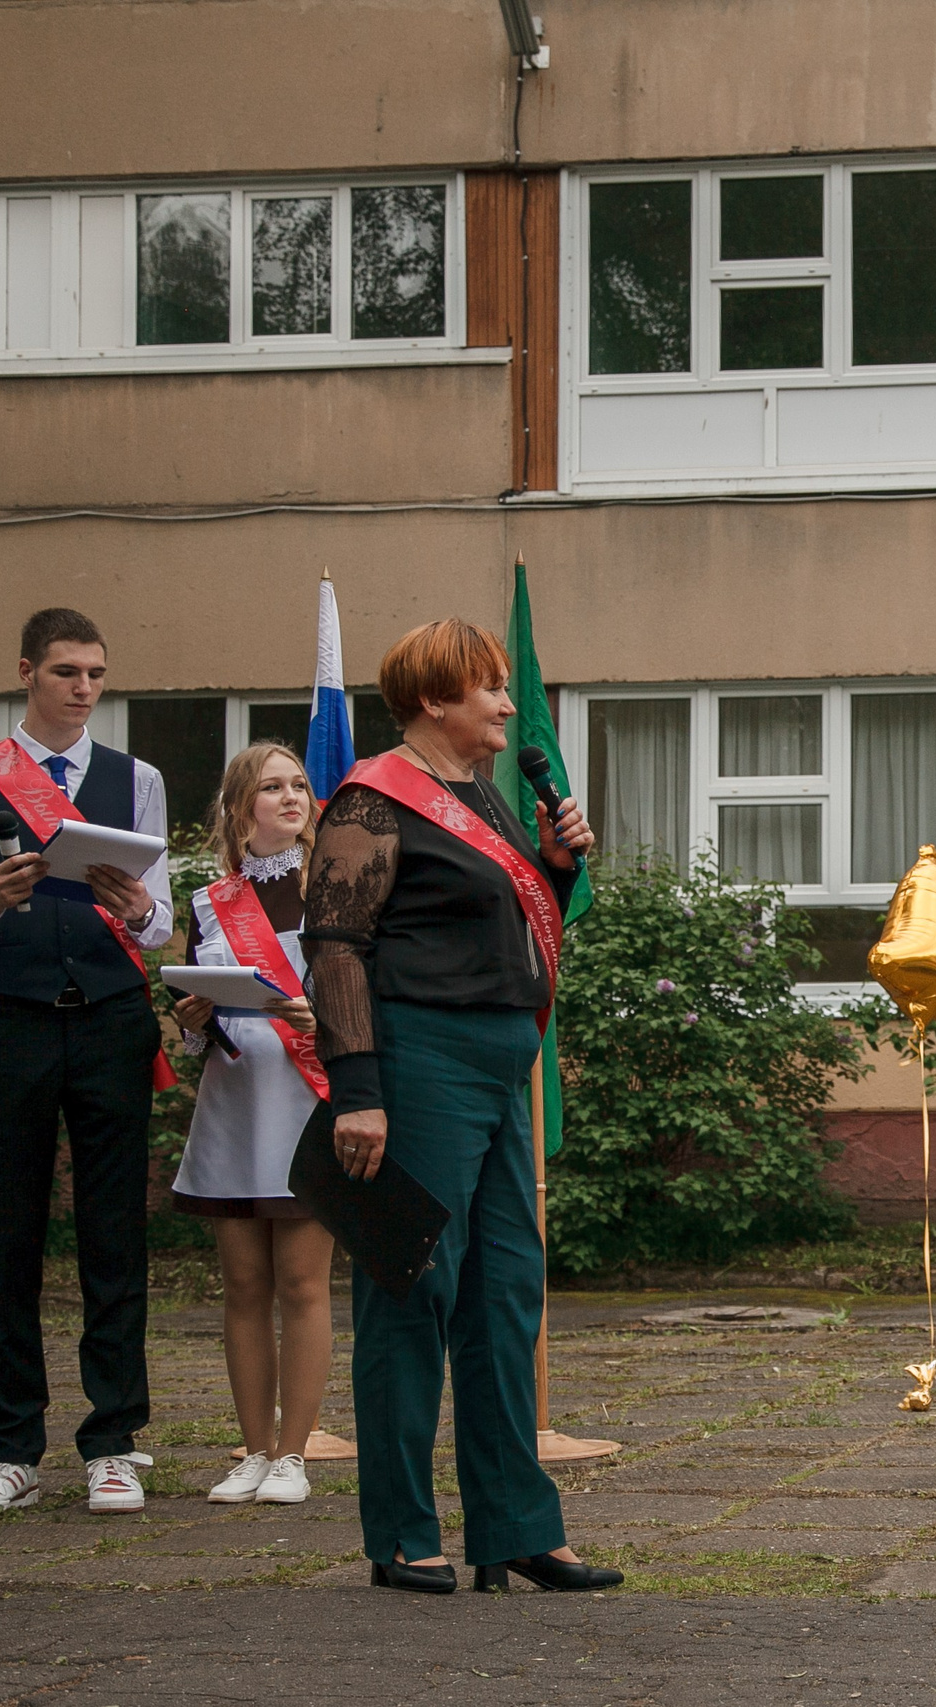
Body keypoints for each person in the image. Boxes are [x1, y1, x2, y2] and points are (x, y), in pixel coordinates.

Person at [303, 617, 612, 1595]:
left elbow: (503, 925)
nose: (508, 706)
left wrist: (559, 867)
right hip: (417, 1060)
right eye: (489, 690)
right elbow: (336, 946)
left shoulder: (488, 798)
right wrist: (358, 1092)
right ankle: (401, 1532)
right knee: (416, 1288)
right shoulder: (372, 800)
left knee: (506, 1295)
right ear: (434, 699)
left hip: (497, 1065)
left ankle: (516, 1526)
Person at [0, 608, 174, 1518]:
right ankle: (9, 1444)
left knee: (115, 1232)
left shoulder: (134, 776)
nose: (84, 688)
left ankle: (114, 1439)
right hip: (11, 1018)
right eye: (67, 670)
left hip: (108, 1017)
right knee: (9, 1231)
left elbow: (161, 926)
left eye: (97, 673)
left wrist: (141, 906)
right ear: (26, 670)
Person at [168, 742, 334, 1506]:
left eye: (298, 783)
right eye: (272, 787)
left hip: (308, 1099)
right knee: (242, 1283)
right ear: (241, 808)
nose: (291, 796)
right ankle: (254, 1448)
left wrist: (320, 1015)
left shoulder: (338, 888)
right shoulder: (208, 902)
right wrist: (194, 1017)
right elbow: (197, 1028)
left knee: (302, 1282)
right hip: (236, 1105)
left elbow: (373, 997)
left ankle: (295, 1452)